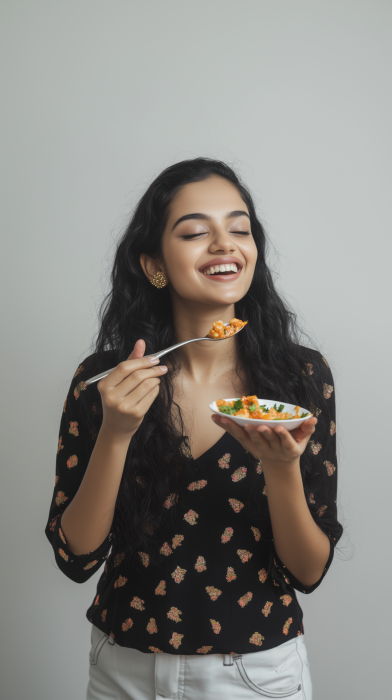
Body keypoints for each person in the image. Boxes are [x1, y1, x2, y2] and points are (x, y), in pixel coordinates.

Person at [45, 158, 342, 700]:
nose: (225, 244)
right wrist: (115, 434)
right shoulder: (104, 382)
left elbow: (307, 571)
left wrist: (281, 469)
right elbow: (77, 557)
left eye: (240, 228)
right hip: (123, 670)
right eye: (195, 232)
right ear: (154, 263)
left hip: (256, 674)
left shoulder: (301, 379)